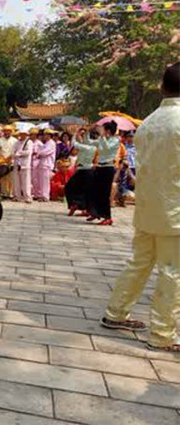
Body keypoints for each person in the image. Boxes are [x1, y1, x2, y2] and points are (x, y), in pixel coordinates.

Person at [101, 62, 180, 352]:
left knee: (141, 262)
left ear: (162, 87)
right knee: (172, 271)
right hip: (174, 210)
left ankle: (116, 312)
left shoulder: (147, 122)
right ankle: (162, 333)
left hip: (148, 207)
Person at [82, 121, 121, 225]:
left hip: (108, 168)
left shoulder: (116, 140)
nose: (100, 130)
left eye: (103, 129)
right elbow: (89, 142)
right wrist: (87, 132)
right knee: (93, 189)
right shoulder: (102, 139)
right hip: (100, 167)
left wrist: (102, 136)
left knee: (104, 193)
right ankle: (95, 212)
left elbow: (107, 149)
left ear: (108, 131)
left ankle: (108, 217)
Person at [66, 128, 97, 216]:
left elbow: (73, 143)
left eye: (84, 136)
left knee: (70, 187)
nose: (82, 137)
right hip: (86, 170)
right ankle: (81, 206)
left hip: (84, 170)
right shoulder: (91, 146)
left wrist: (75, 134)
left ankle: (76, 204)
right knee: (84, 190)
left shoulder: (86, 147)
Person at [12, 129, 33, 203]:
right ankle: (17, 196)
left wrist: (19, 153)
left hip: (25, 164)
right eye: (21, 134)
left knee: (26, 182)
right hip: (17, 164)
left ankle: (27, 197)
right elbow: (13, 151)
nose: (22, 135)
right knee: (16, 181)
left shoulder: (29, 142)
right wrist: (15, 154)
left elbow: (28, 152)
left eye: (24, 134)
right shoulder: (16, 142)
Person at [35, 129, 57, 202]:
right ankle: (41, 195)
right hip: (42, 164)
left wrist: (39, 153)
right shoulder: (46, 143)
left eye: (47, 135)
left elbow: (45, 152)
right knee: (41, 181)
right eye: (45, 135)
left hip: (47, 164)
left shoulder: (51, 143)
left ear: (50, 136)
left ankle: (45, 196)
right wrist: (39, 153)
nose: (45, 136)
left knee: (45, 182)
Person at [0, 125, 17, 199]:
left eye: (8, 131)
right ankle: (4, 193)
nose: (6, 132)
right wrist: (0, 159)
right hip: (2, 161)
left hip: (12, 161)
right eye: (5, 131)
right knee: (3, 178)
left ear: (11, 132)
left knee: (12, 178)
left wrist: (11, 158)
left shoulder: (14, 141)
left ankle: (11, 194)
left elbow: (16, 151)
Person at [29, 128, 42, 199]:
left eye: (34, 135)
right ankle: (31, 192)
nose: (33, 136)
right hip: (29, 161)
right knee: (30, 178)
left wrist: (36, 153)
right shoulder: (29, 142)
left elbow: (42, 152)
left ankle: (37, 193)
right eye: (31, 135)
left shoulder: (39, 143)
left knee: (36, 178)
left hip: (36, 161)